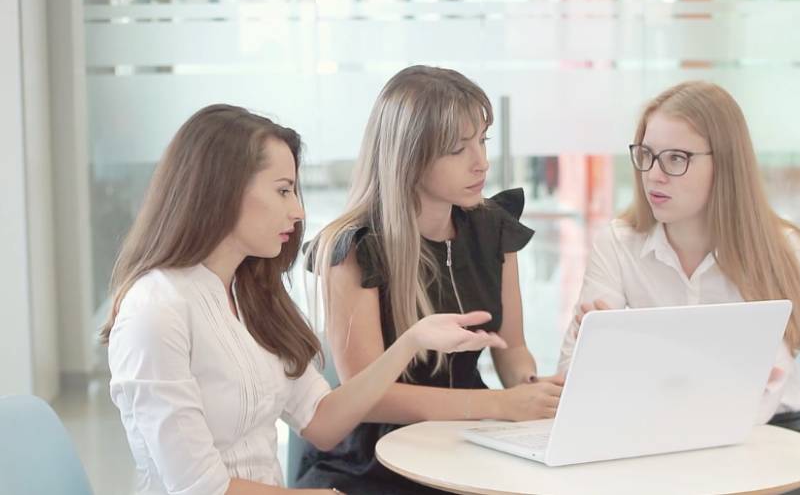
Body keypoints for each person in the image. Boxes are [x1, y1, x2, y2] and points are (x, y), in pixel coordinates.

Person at [101, 104, 506, 495]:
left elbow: (323, 422)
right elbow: (200, 489)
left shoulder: (250, 294)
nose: (297, 211)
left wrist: (411, 342)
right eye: (283, 191)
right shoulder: (155, 311)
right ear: (219, 190)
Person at [297, 66, 562, 494]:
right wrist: (498, 404)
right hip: (375, 462)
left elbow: (511, 349)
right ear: (410, 156)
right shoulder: (353, 247)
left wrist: (532, 389)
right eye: (459, 149)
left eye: (482, 141)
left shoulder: (494, 227)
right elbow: (370, 396)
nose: (481, 162)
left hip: (467, 443)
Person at [559, 81, 800, 494]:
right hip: (655, 442)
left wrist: (634, 366)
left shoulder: (780, 248)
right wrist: (592, 343)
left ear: (726, 164)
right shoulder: (619, 242)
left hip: (769, 444)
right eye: (646, 156)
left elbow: (754, 404)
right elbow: (571, 381)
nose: (654, 175)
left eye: (676, 159)